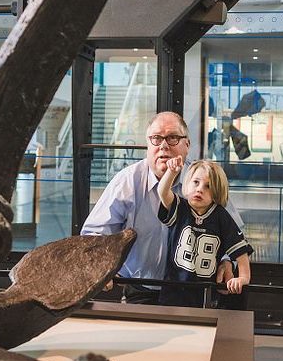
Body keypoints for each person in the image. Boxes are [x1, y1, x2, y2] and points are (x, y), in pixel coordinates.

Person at [80, 111, 241, 303]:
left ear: (187, 145)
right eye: (156, 138)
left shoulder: (204, 180)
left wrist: (225, 260)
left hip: (193, 290)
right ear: (148, 145)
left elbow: (233, 231)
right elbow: (95, 234)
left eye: (172, 138)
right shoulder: (127, 181)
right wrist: (100, 265)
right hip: (140, 288)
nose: (163, 145)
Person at [157, 156, 252, 308]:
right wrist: (171, 172)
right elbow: (162, 192)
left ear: (217, 192)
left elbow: (241, 251)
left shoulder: (221, 216)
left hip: (205, 293)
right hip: (174, 289)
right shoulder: (180, 207)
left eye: (208, 186)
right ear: (186, 184)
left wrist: (243, 278)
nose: (200, 189)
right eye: (196, 182)